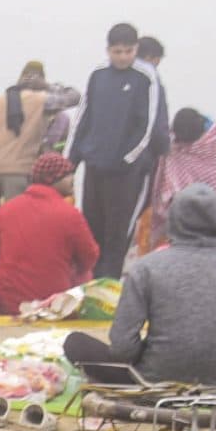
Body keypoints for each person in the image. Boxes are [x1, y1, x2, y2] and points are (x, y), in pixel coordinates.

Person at [62, 184, 216, 385]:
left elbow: (122, 347)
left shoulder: (147, 268)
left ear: (174, 221)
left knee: (75, 343)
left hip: (149, 382)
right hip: (215, 381)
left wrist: (151, 354)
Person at [69, 23, 169, 279]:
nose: (123, 57)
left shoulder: (146, 77)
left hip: (129, 171)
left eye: (128, 51)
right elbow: (82, 118)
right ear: (108, 50)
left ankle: (108, 282)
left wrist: (128, 159)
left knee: (118, 232)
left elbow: (149, 125)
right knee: (92, 230)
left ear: (136, 49)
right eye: (117, 52)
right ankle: (90, 284)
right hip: (96, 165)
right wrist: (71, 161)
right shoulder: (98, 74)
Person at [0, 154, 99, 314]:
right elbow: (89, 258)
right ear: (53, 179)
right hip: (53, 305)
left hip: (8, 304)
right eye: (68, 175)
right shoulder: (70, 214)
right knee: (85, 274)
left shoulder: (8, 208)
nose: (73, 179)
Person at [0, 61, 80, 237]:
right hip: (20, 171)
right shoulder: (40, 100)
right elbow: (75, 97)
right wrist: (47, 86)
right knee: (18, 223)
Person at [149, 106, 216, 249]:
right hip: (180, 215)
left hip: (214, 213)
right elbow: (168, 174)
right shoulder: (174, 144)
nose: (179, 143)